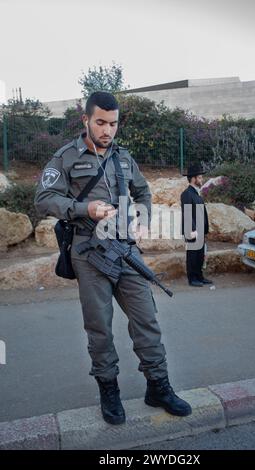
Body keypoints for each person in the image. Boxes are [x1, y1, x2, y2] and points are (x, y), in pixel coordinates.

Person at [34, 91, 192, 425]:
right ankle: (109, 391)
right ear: (86, 120)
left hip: (125, 250)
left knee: (146, 319)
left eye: (113, 123)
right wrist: (82, 208)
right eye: (101, 122)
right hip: (88, 252)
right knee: (99, 327)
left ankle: (158, 386)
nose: (107, 130)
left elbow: (143, 192)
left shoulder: (123, 157)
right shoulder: (65, 157)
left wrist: (142, 220)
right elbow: (44, 199)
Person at [180, 164, 213, 287]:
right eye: (199, 177)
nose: (202, 179)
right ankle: (192, 278)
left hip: (200, 230)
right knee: (192, 255)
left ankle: (199, 276)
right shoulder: (187, 194)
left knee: (199, 255)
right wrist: (191, 230)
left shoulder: (196, 193)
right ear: (193, 179)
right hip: (193, 231)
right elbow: (187, 213)